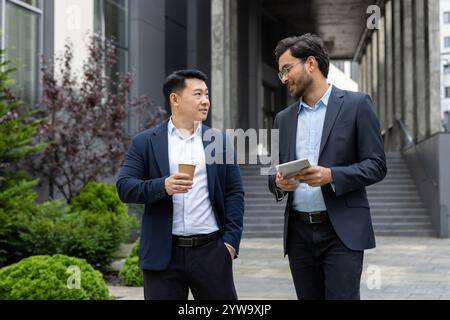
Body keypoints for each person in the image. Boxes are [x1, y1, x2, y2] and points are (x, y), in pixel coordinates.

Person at [268, 34, 387, 300]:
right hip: (298, 235)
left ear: (310, 63)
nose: (284, 78)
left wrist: (331, 175)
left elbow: (377, 165)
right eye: (280, 73)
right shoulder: (283, 119)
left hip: (341, 233)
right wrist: (278, 182)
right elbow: (272, 173)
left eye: (287, 69)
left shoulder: (357, 105)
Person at [116, 69, 244, 300]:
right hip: (162, 255)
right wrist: (163, 186)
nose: (205, 100)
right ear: (175, 99)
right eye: (197, 94)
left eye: (206, 94)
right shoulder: (145, 142)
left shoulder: (217, 141)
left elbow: (234, 192)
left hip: (211, 252)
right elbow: (125, 187)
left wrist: (230, 243)